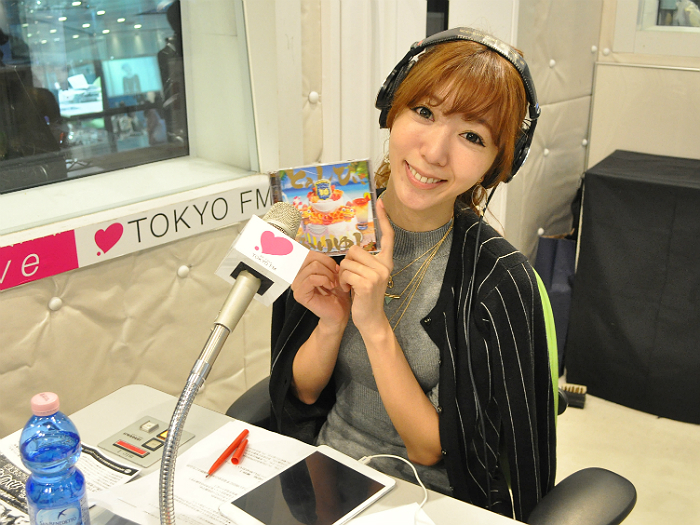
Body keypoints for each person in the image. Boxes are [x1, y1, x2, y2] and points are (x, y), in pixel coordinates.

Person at [268, 27, 556, 521]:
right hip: (323, 477)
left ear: (495, 166)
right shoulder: (332, 219)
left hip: (429, 500)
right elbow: (304, 394)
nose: (434, 152)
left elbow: (429, 449)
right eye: (424, 112)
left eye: (472, 136)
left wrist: (373, 325)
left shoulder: (497, 279)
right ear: (392, 113)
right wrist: (332, 324)